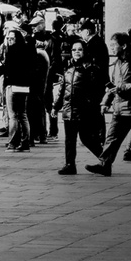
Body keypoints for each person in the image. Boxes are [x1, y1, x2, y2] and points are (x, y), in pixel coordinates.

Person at [87, 31, 131, 176]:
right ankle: (105, 164)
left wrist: (122, 88)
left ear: (123, 45)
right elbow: (112, 86)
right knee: (111, 137)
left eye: (113, 45)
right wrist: (105, 102)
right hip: (119, 107)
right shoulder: (117, 63)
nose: (111, 48)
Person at [52, 39, 104, 175]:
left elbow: (97, 90)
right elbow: (63, 89)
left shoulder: (91, 68)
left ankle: (105, 159)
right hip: (69, 109)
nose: (76, 52)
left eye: (79, 49)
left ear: (84, 51)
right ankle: (70, 164)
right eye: (74, 50)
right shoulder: (68, 68)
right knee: (69, 139)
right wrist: (55, 106)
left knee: (87, 138)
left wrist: (91, 105)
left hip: (84, 110)